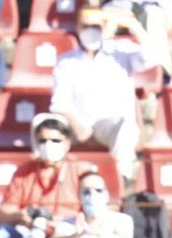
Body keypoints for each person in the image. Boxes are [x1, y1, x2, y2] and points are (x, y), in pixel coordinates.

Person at [50, 6, 157, 190]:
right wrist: (77, 125)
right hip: (78, 127)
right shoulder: (66, 62)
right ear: (77, 27)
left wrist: (133, 26)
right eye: (86, 26)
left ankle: (121, 181)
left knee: (125, 128)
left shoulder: (121, 51)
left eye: (96, 26)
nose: (90, 30)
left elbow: (152, 57)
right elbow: (60, 102)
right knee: (46, 127)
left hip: (111, 126)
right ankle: (51, 184)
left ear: (103, 27)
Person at [0, 114, 89, 238]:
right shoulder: (24, 172)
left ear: (67, 144)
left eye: (55, 140)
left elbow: (93, 207)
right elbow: (3, 212)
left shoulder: (80, 170)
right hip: (30, 231)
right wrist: (20, 216)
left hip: (66, 231)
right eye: (42, 140)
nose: (48, 145)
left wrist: (62, 222)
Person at [45, 169, 134, 238]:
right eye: (86, 192)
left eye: (98, 190)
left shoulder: (122, 220)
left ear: (107, 194)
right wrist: (76, 236)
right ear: (79, 196)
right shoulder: (68, 222)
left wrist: (99, 233)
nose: (92, 195)